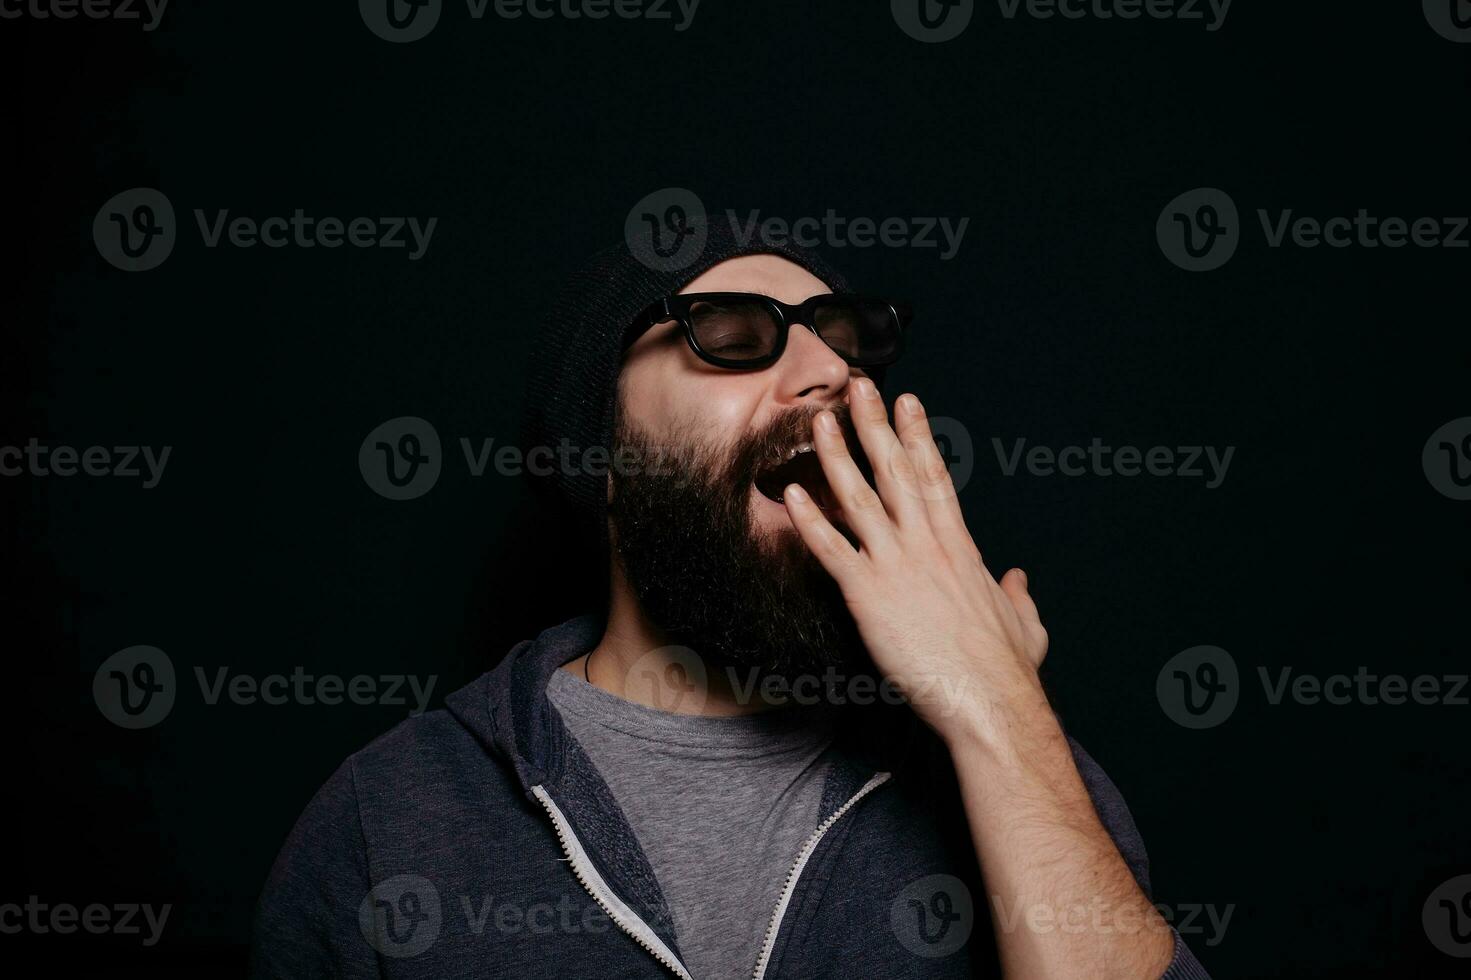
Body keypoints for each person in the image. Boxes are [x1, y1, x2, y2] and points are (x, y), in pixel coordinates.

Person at [251, 220, 1210, 979]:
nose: (829, 373)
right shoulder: (392, 816)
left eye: (845, 340)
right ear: (605, 455)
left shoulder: (1023, 776)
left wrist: (997, 711)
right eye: (734, 334)